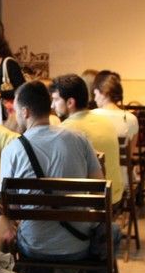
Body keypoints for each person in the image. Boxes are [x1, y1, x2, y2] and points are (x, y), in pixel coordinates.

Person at [0, 81, 105, 273]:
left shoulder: (12, 150)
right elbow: (98, 190)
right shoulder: (80, 139)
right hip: (80, 245)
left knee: (28, 230)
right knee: (112, 233)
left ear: (25, 111)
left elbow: (11, 208)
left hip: (34, 247)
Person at [50, 74, 125, 207]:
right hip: (115, 195)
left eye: (56, 99)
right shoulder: (105, 121)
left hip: (94, 204)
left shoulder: (65, 131)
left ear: (70, 102)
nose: (52, 105)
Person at [90, 72, 138, 141]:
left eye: (95, 94)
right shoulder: (132, 119)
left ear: (104, 93)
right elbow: (131, 148)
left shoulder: (90, 116)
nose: (95, 99)